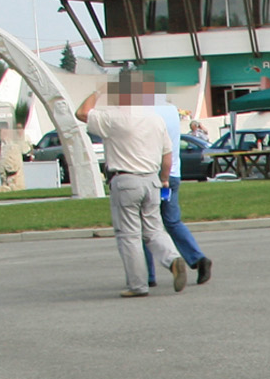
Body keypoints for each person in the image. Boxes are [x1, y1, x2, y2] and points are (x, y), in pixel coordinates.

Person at [78, 69, 185, 298]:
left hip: (126, 179)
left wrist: (99, 90)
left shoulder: (113, 117)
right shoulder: (154, 119)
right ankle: (173, 259)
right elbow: (167, 154)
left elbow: (82, 113)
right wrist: (164, 179)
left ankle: (138, 284)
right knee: (154, 230)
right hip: (152, 179)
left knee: (129, 235)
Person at [146, 86, 212, 287]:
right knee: (172, 221)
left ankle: (147, 274)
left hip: (154, 172)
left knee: (145, 225)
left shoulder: (147, 113)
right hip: (173, 172)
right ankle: (197, 257)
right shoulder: (171, 111)